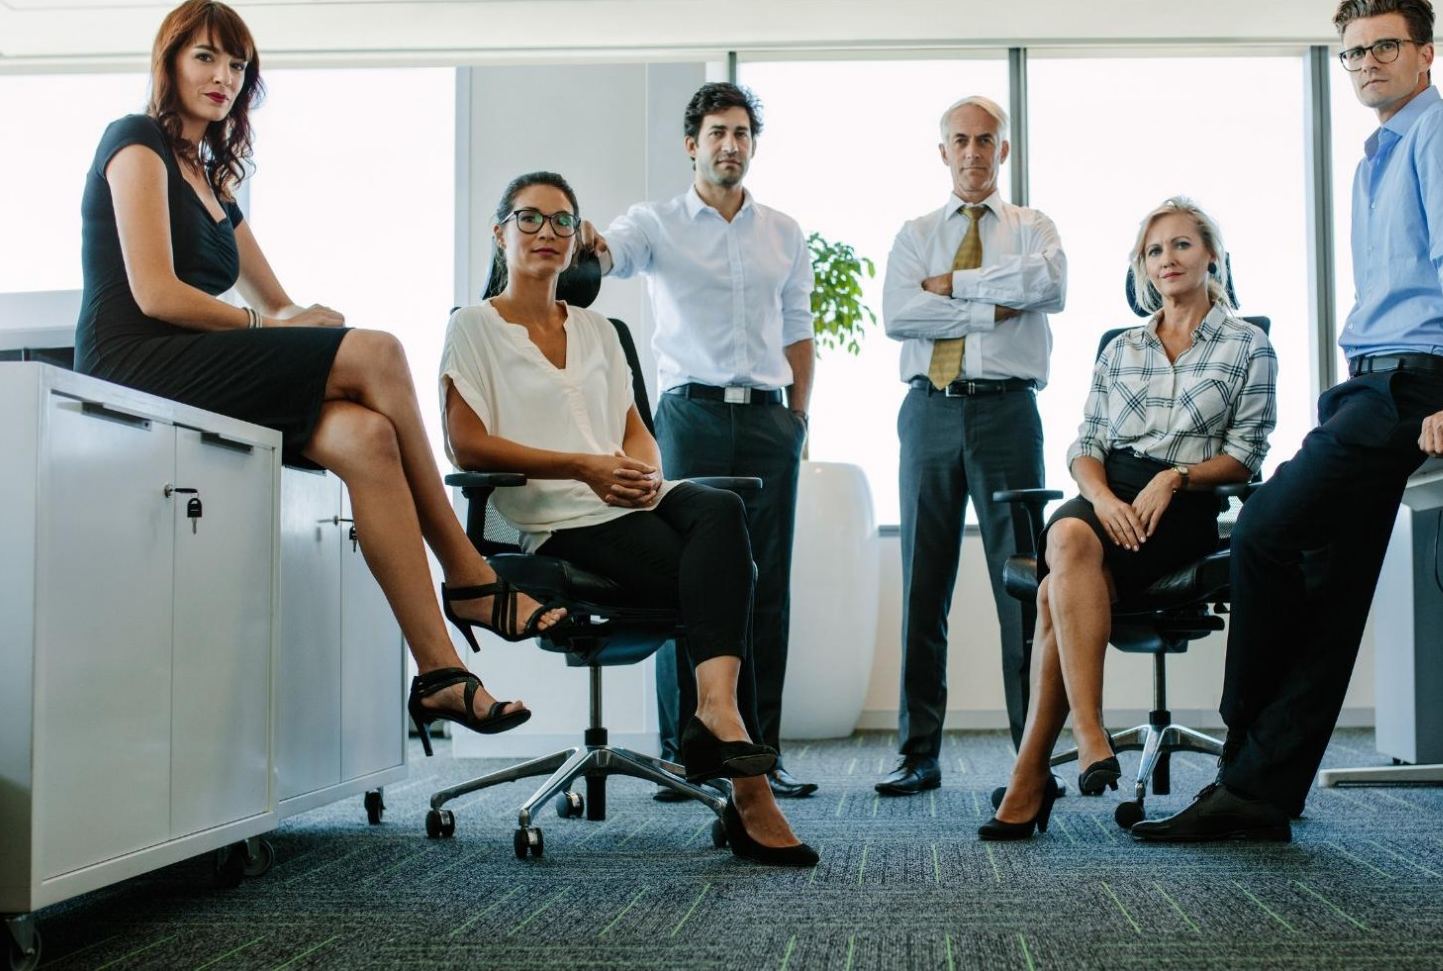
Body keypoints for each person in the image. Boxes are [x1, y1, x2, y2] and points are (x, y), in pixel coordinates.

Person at [74, 0, 554, 751]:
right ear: (168, 62)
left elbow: (275, 300)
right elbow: (156, 294)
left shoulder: (213, 182)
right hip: (137, 358)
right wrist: (285, 330)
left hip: (199, 362)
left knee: (366, 437)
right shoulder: (133, 141)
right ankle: (468, 572)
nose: (223, 78)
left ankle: (438, 671)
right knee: (382, 351)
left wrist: (309, 319)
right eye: (206, 58)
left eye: (237, 66)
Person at [1132, 0, 1443, 843]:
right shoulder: (1380, 153)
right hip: (1372, 379)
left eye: (1385, 46)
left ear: (1424, 53)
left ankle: (1241, 743)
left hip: (1410, 382)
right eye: (1355, 52)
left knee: (1266, 526)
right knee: (1330, 590)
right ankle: (1262, 792)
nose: (1368, 63)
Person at [438, 171, 817, 866]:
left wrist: (641, 473)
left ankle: (717, 714)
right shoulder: (474, 327)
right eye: (529, 219)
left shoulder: (600, 329)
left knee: (722, 509)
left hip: (623, 497)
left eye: (562, 222)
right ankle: (746, 778)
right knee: (728, 575)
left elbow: (635, 428)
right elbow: (467, 444)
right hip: (552, 511)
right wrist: (583, 468)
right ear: (499, 233)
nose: (547, 233)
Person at [982, 197, 1275, 839]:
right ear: (1142, 269)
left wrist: (1175, 477)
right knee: (1068, 533)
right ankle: (1090, 732)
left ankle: (1032, 777)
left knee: (1058, 587)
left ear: (1212, 255)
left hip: (1184, 502)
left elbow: (1246, 456)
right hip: (1107, 492)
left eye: (1180, 245)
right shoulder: (1122, 349)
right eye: (1153, 251)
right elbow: (1084, 445)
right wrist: (1108, 499)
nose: (1166, 260)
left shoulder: (1246, 345)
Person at [575, 83, 818, 799]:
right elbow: (613, 254)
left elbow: (800, 331)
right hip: (690, 418)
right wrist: (587, 240)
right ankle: (689, 756)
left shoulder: (784, 231)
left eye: (741, 133)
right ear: (692, 143)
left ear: (752, 144)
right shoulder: (657, 221)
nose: (729, 145)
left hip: (770, 420)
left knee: (766, 588)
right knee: (691, 581)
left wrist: (797, 419)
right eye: (716, 132)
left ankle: (758, 753)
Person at [875, 95, 1067, 797]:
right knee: (923, 587)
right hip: (928, 411)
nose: (973, 152)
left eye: (986, 140)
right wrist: (994, 301)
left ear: (1003, 150)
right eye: (960, 140)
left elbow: (1048, 284)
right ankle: (917, 751)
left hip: (1007, 415)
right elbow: (900, 313)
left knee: (1021, 588)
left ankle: (1031, 756)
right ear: (943, 151)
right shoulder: (914, 231)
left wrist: (952, 287)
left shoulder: (1033, 226)